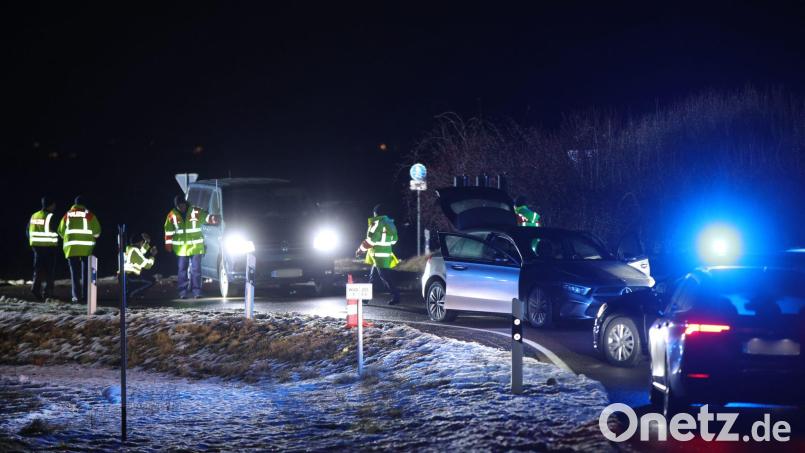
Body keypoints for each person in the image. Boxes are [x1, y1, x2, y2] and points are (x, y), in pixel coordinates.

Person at [164, 195, 217, 299]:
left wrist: (212, 219)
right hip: (181, 249)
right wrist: (168, 245)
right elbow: (168, 231)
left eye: (183, 204)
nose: (182, 207)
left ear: (186, 203)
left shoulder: (195, 211)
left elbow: (206, 217)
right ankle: (182, 292)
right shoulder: (171, 215)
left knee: (196, 270)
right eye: (179, 205)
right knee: (182, 270)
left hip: (195, 247)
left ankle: (197, 291)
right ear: (176, 206)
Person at [57, 196, 101, 303]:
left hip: (71, 249)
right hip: (86, 248)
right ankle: (86, 297)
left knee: (74, 274)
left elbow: (60, 231)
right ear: (84, 205)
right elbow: (97, 232)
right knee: (86, 273)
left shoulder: (67, 215)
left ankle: (76, 297)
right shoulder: (89, 215)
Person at [355, 204, 400, 305]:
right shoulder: (390, 223)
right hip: (386, 254)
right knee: (373, 276)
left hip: (377, 255)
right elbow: (394, 240)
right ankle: (366, 298)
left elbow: (370, 241)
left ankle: (396, 296)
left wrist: (360, 250)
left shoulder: (376, 223)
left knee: (385, 276)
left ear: (376, 213)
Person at [27, 196, 59, 300]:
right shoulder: (50, 216)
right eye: (53, 204)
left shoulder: (34, 216)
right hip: (49, 247)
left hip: (37, 247)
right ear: (50, 205)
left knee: (38, 269)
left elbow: (27, 230)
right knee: (50, 271)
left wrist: (33, 242)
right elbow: (57, 231)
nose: (55, 206)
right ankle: (47, 292)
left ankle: (35, 288)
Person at [124, 233, 158, 298]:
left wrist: (147, 242)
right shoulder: (135, 251)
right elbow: (148, 265)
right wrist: (152, 255)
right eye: (142, 242)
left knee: (142, 279)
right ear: (140, 242)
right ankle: (133, 294)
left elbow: (141, 252)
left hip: (125, 276)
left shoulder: (129, 248)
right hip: (130, 277)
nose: (143, 243)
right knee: (151, 281)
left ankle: (130, 293)